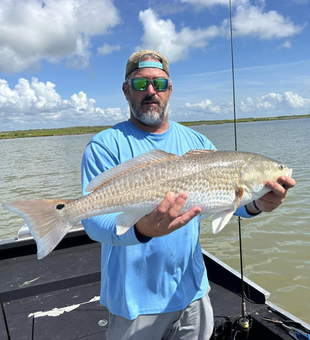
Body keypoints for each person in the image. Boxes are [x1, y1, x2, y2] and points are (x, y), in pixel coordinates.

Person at [81, 50, 295, 340]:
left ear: (170, 89)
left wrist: (258, 204)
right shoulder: (104, 145)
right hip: (133, 304)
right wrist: (143, 229)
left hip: (193, 293)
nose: (151, 91)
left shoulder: (199, 142)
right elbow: (94, 222)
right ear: (125, 90)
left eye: (160, 83)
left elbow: (228, 203)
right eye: (141, 84)